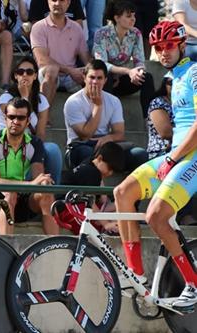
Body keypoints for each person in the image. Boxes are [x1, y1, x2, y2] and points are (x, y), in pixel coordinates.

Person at [114, 20, 197, 310]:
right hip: (176, 153)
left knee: (155, 217)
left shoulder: (195, 73)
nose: (163, 52)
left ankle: (193, 284)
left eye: (169, 46)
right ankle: (135, 275)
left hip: (192, 157)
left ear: (181, 46)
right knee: (122, 193)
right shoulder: (173, 78)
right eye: (158, 48)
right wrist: (172, 156)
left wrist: (173, 159)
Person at [0, 97, 57, 235]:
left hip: (20, 198)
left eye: (20, 118)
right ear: (5, 119)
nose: (15, 121)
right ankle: (7, 247)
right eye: (11, 117)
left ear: (28, 121)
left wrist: (41, 183)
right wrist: (31, 184)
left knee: (46, 191)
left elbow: (38, 177)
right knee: (10, 194)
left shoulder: (35, 143)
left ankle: (57, 247)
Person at [63, 59, 148, 171]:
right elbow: (85, 135)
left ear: (105, 80)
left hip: (106, 146)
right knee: (86, 153)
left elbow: (119, 133)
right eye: (92, 77)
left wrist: (109, 138)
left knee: (140, 155)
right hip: (80, 146)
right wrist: (98, 106)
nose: (95, 82)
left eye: (99, 78)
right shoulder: (73, 102)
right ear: (84, 78)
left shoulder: (114, 101)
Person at [0, 56, 63, 184]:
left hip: (31, 143)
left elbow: (40, 134)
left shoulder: (41, 100)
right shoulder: (6, 98)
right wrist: (25, 97)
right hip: (8, 143)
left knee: (52, 150)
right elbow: (17, 125)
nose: (25, 75)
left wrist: (34, 149)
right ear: (15, 76)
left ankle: (53, 190)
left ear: (35, 76)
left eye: (29, 72)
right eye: (20, 72)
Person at [93, 0, 155, 119]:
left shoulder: (136, 33)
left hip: (122, 81)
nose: (133, 19)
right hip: (103, 81)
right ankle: (105, 120)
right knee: (106, 77)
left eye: (133, 16)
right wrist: (127, 71)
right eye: (128, 16)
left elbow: (139, 61)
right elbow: (101, 64)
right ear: (117, 18)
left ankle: (150, 120)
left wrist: (138, 72)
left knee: (146, 78)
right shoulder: (101, 33)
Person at [56, 141, 126, 234]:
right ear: (100, 158)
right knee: (90, 228)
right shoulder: (92, 172)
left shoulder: (91, 164)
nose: (110, 173)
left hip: (81, 204)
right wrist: (105, 224)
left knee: (119, 208)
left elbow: (102, 200)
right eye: (110, 168)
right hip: (68, 207)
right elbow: (90, 202)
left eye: (114, 171)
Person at [30, 0, 90, 107]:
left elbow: (87, 59)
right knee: (51, 70)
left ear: (68, 3)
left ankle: (97, 119)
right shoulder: (38, 27)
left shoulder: (77, 28)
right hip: (46, 74)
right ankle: (44, 118)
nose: (57, 3)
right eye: (53, 0)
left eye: (62, 0)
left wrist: (89, 72)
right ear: (48, 2)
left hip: (71, 77)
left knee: (94, 75)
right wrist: (70, 70)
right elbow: (42, 60)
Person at [146, 77, 174, 160]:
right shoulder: (158, 102)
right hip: (161, 151)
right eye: (170, 82)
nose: (173, 85)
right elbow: (166, 133)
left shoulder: (187, 103)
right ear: (164, 84)